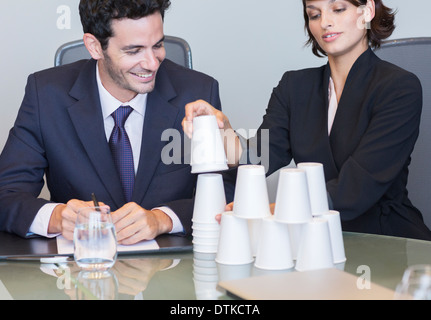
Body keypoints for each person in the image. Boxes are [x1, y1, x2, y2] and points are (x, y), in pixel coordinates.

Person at [183, 0, 431, 240]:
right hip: (313, 236)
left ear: (367, 12)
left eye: (338, 9)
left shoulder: (398, 87)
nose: (325, 22)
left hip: (384, 238)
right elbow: (259, 156)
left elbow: (359, 185)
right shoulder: (294, 87)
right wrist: (221, 129)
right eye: (314, 14)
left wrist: (279, 208)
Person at [0, 0, 234, 244]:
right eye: (134, 51)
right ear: (95, 47)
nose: (152, 64)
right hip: (82, 269)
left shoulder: (198, 91)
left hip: (171, 266)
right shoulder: (46, 95)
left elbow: (229, 193)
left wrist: (163, 219)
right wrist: (58, 217)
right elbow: (6, 193)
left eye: (158, 45)